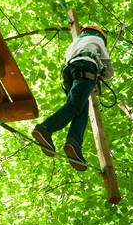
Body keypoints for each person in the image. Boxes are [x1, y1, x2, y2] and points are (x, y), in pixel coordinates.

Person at [32, 25, 114, 171]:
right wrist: (102, 73)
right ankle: (46, 128)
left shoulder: (74, 44)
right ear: (100, 35)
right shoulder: (97, 39)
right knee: (75, 105)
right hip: (85, 66)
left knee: (81, 109)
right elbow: (108, 70)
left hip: (70, 71)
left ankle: (74, 143)